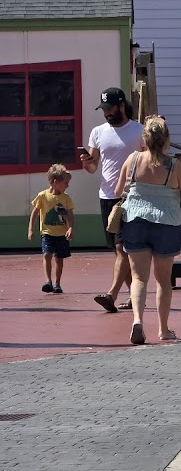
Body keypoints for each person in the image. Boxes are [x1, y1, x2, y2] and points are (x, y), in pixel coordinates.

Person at [114, 115, 181, 345]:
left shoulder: (132, 160)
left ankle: (138, 321)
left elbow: (117, 190)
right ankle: (164, 328)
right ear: (166, 140)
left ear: (145, 138)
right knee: (163, 280)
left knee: (139, 277)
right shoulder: (174, 165)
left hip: (135, 221)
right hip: (166, 224)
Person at [80, 87, 145, 313]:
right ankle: (135, 295)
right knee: (118, 251)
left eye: (109, 108)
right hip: (106, 196)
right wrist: (85, 161)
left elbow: (150, 161)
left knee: (122, 248)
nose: (106, 113)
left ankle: (111, 295)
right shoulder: (98, 132)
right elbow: (92, 167)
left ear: (120, 106)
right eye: (103, 109)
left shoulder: (139, 131)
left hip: (130, 197)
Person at [28, 164, 75, 294]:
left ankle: (57, 283)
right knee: (47, 254)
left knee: (59, 259)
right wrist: (30, 229)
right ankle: (48, 281)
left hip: (61, 234)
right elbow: (35, 212)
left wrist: (70, 227)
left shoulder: (66, 198)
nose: (67, 186)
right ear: (55, 182)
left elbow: (70, 214)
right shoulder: (43, 196)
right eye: (65, 183)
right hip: (47, 233)